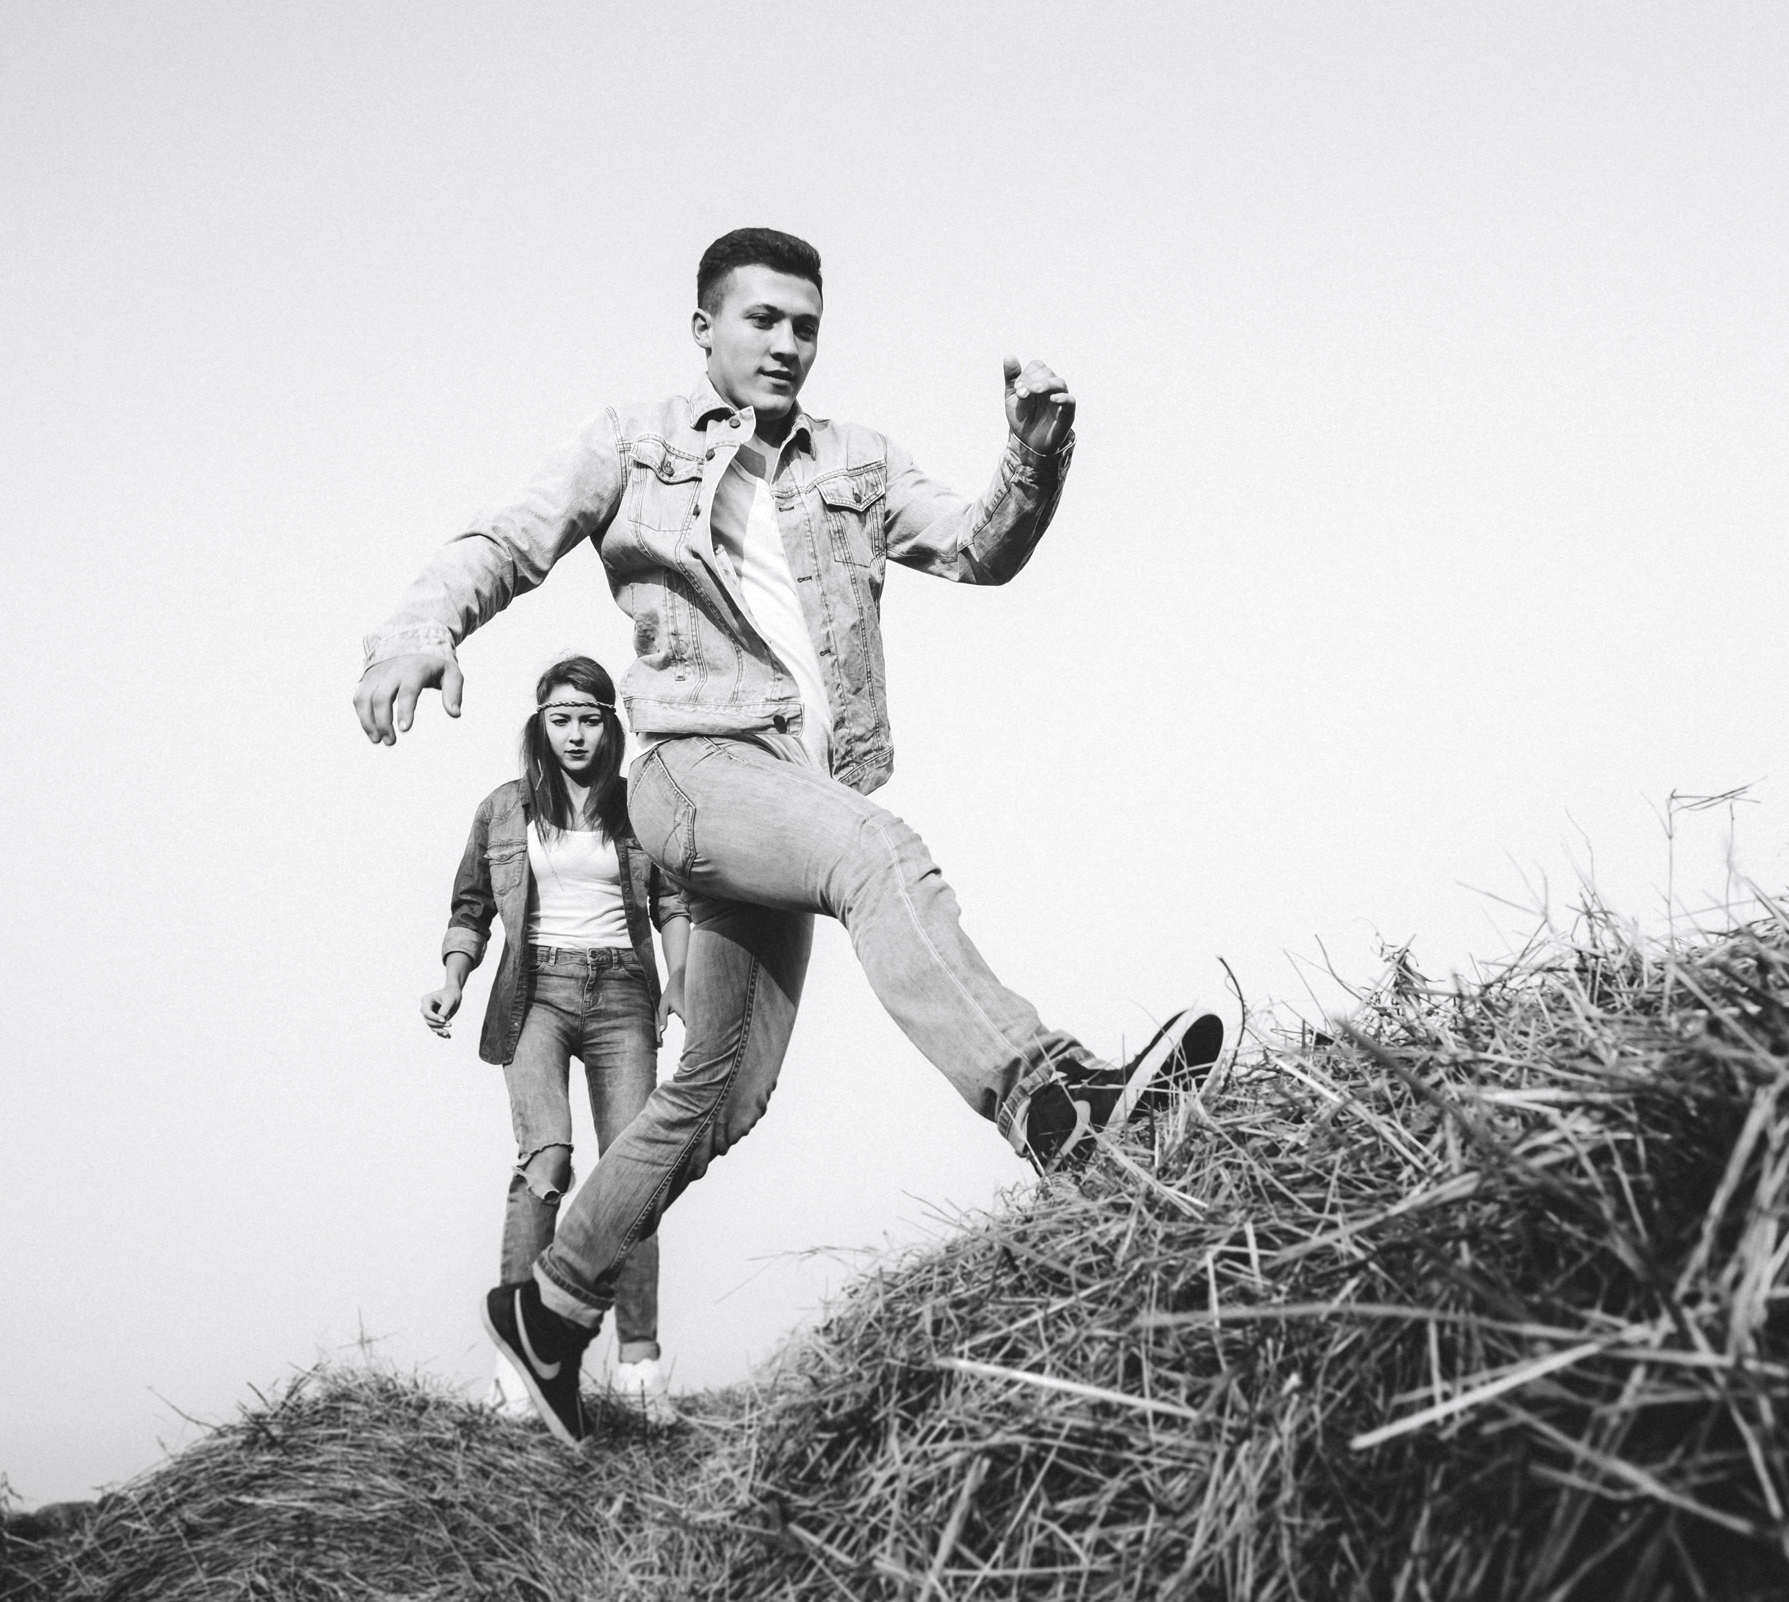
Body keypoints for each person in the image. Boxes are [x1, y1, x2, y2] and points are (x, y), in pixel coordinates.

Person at [354, 227, 1222, 1445]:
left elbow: (981, 550)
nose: (787, 343)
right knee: (878, 853)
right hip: (699, 770)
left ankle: (547, 1311)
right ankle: (1053, 1102)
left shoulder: (854, 461)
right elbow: (506, 541)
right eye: (762, 320)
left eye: (806, 325)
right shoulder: (634, 441)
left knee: (715, 1096)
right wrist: (414, 632)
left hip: (791, 790)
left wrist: (1035, 456)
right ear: (703, 327)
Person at [423, 655, 690, 1426]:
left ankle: (638, 1370)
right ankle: (517, 1370)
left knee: (634, 1178)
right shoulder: (505, 810)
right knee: (548, 1160)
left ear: (610, 723)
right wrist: (452, 979)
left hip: (621, 996)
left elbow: (673, 897)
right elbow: (470, 906)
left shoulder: (640, 806)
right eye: (560, 718)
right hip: (533, 993)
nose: (575, 734)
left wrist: (680, 980)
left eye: (589, 718)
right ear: (541, 724)